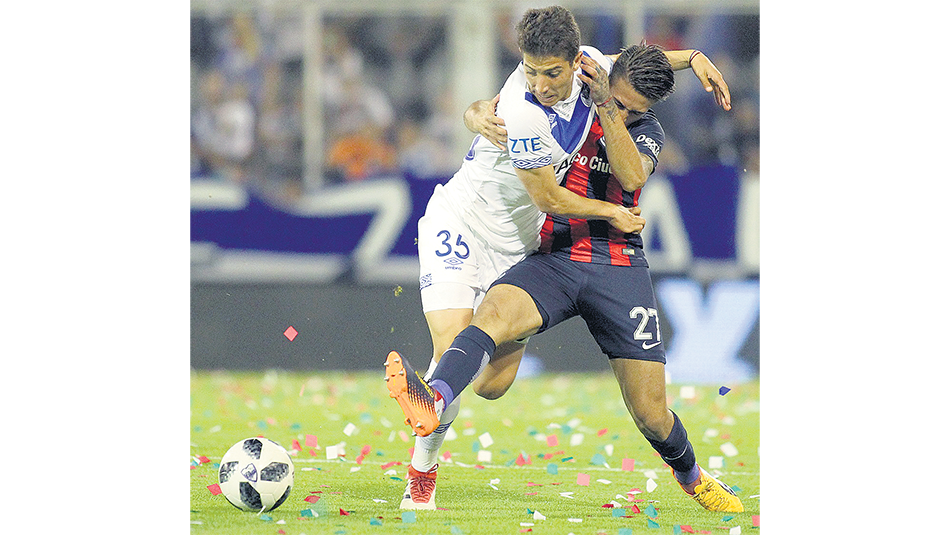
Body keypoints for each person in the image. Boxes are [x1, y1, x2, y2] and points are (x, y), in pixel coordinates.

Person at [385, 5, 731, 511]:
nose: (544, 82)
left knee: (626, 409)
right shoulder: (543, 101)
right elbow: (546, 193)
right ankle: (426, 444)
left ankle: (693, 475)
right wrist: (477, 111)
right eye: (534, 71)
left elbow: (632, 175)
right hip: (528, 243)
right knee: (468, 330)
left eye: (632, 106)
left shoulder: (631, 116)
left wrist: (694, 57)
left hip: (608, 263)